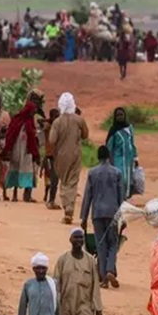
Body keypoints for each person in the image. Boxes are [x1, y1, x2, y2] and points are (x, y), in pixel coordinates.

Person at [81, 146, 125, 287]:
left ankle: (104, 280)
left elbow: (88, 195)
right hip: (113, 213)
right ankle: (110, 270)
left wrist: (83, 217)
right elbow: (121, 198)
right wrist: (122, 218)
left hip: (97, 213)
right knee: (113, 243)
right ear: (109, 157)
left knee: (101, 245)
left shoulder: (92, 173)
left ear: (98, 157)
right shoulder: (117, 173)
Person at [48, 92, 89, 221]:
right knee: (72, 181)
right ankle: (69, 208)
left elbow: (52, 140)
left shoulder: (57, 122)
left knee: (64, 181)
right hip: (75, 154)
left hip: (61, 156)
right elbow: (85, 135)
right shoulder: (79, 120)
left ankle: (67, 207)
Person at [2, 91, 42, 202]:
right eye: (33, 111)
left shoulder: (28, 121)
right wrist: (8, 150)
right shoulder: (19, 120)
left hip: (26, 151)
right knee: (18, 169)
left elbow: (33, 138)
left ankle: (26, 195)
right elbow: (10, 135)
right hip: (18, 150)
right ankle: (16, 195)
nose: (33, 113)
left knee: (27, 170)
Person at [105, 107, 138, 199]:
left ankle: (125, 198)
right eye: (118, 115)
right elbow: (109, 146)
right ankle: (119, 198)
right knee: (121, 179)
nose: (120, 117)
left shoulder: (129, 128)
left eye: (121, 115)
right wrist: (108, 160)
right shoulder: (113, 131)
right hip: (118, 159)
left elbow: (132, 143)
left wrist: (135, 157)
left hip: (129, 159)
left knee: (129, 180)